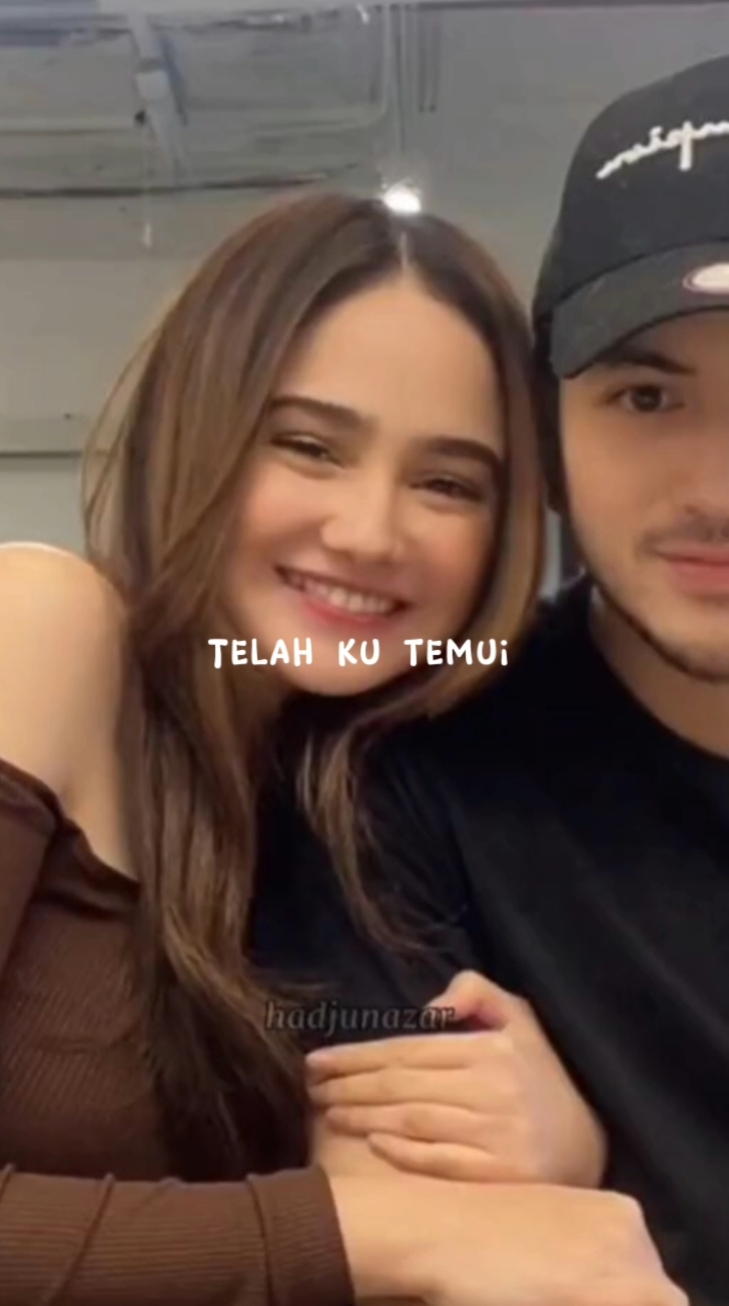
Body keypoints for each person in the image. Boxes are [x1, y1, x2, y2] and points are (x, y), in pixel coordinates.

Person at [0, 191, 677, 1306]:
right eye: (309, 446)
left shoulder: (351, 795)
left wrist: (559, 1149)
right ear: (194, 432)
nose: (369, 532)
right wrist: (385, 1231)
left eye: (446, 482)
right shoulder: (45, 627)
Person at [313, 53, 729, 1306]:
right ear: (545, 434)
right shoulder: (405, 772)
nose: (716, 489)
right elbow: (413, 1233)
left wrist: (589, 1183)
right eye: (647, 394)